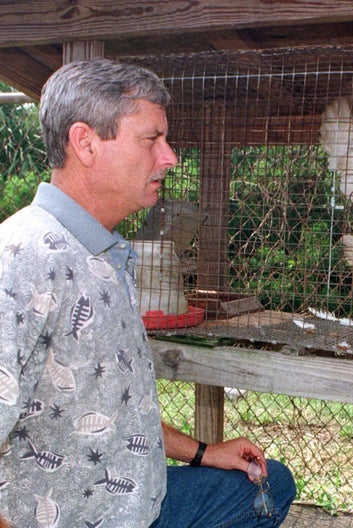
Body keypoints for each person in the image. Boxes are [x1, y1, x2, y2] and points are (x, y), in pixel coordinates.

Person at [0, 58, 296, 527]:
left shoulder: (105, 252)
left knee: (270, 483)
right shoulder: (22, 258)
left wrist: (203, 453)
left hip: (139, 503)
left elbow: (113, 408)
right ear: (86, 143)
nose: (170, 157)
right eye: (151, 139)